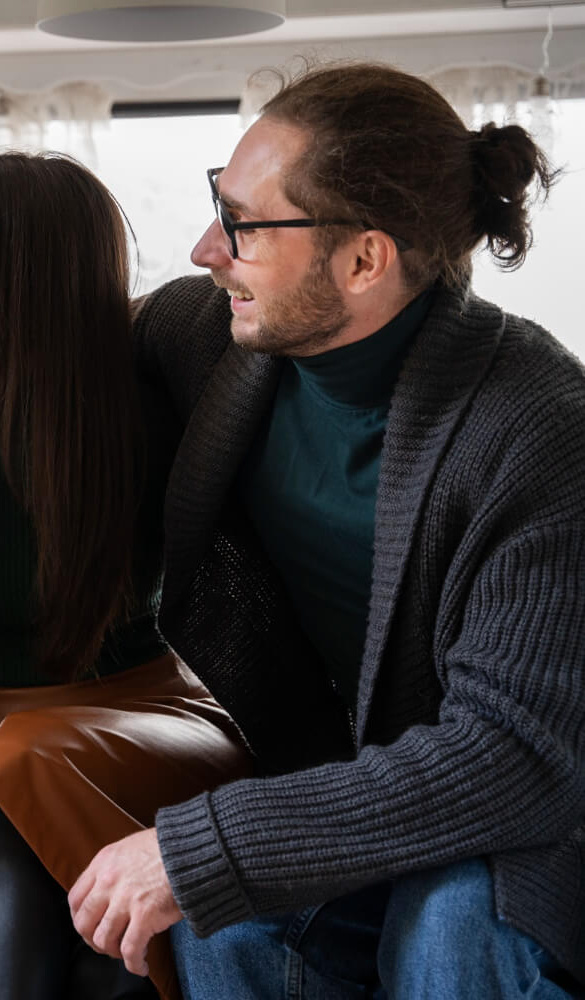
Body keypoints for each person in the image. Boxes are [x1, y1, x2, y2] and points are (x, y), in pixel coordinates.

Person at [67, 62, 585, 999]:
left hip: (522, 833)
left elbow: (515, 757)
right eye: (216, 206)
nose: (202, 250)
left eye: (243, 226)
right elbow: (37, 341)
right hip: (353, 814)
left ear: (362, 261)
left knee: (449, 921)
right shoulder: (214, 338)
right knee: (226, 929)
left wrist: (209, 846)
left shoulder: (536, 424)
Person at [0, 152, 250, 999]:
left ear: (44, 294)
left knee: (26, 766)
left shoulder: (151, 406)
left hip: (155, 727)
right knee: (41, 862)